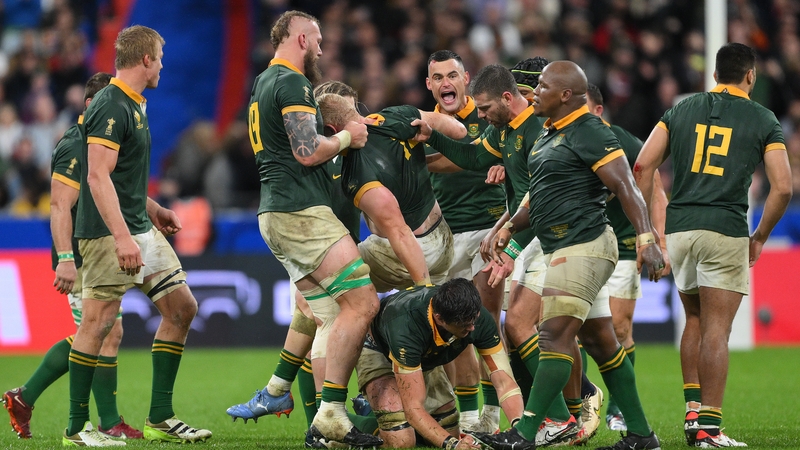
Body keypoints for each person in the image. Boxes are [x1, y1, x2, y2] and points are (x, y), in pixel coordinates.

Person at [469, 60, 664, 450]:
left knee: (553, 336)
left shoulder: (591, 130)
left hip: (584, 244)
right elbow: (537, 200)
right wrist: (508, 227)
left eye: (541, 87)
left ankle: (527, 433)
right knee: (601, 342)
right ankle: (642, 435)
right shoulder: (546, 136)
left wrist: (647, 238)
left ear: (565, 95)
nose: (533, 92)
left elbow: (627, 186)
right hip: (563, 245)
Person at [635, 42, 792, 448]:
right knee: (718, 331)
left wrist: (647, 231)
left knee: (696, 322)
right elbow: (783, 187)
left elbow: (643, 165)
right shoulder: (763, 118)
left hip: (681, 232)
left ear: (714, 74)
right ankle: (708, 426)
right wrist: (759, 235)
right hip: (724, 229)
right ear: (751, 77)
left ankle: (692, 412)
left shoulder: (680, 110)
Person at [69, 25, 211, 446]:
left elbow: (122, 178)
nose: (163, 65)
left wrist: (153, 209)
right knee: (97, 324)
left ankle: (161, 418)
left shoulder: (134, 105)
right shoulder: (111, 104)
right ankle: (76, 428)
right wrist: (122, 237)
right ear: (146, 59)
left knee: (182, 308)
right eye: (161, 58)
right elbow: (96, 177)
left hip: (140, 226)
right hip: (108, 235)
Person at [248, 11, 381, 448]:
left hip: (274, 212)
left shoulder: (262, 83)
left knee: (326, 314)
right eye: (319, 40)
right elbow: (307, 151)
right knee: (362, 303)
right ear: (301, 39)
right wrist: (349, 139)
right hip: (301, 211)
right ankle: (332, 412)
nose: (322, 48)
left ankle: (324, 419)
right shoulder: (291, 82)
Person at [2, 73, 142, 442]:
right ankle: (29, 398)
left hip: (98, 249)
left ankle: (106, 421)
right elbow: (60, 206)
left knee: (108, 330)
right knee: (95, 331)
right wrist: (66, 257)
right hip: (80, 254)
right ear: (90, 105)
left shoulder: (99, 142)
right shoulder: (74, 144)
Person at [225, 81, 363, 431]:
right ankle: (319, 417)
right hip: (315, 250)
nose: (346, 120)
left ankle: (286, 394)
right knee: (319, 316)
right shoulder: (310, 162)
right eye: (337, 114)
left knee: (319, 317)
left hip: (344, 251)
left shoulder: (357, 156)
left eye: (351, 111)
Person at [424, 49, 506, 433]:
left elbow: (470, 156)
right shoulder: (426, 123)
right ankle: (470, 416)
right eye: (437, 77)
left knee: (486, 320)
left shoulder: (487, 114)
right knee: (454, 326)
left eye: (451, 75)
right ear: (430, 85)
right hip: (446, 235)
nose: (445, 83)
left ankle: (491, 414)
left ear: (465, 78)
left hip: (489, 230)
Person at [584, 83, 670, 432]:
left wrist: (658, 243)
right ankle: (580, 405)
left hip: (621, 248)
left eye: (582, 107)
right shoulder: (562, 141)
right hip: (579, 248)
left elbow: (658, 195)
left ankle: (618, 409)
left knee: (619, 330)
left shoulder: (628, 143)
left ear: (599, 111)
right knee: (570, 333)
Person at [317, 92, 464, 292]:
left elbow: (400, 232)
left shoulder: (355, 174)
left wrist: (423, 288)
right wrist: (422, 157)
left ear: (330, 130)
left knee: (323, 279)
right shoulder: (399, 114)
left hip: (411, 254)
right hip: (444, 241)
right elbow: (459, 131)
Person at [356, 278, 523, 449]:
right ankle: (360, 417)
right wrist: (453, 445)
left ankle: (383, 411)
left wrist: (520, 431)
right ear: (439, 319)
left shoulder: (476, 317)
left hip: (423, 355)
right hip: (378, 346)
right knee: (401, 441)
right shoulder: (407, 328)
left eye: (474, 320)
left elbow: (505, 382)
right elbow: (414, 408)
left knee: (445, 428)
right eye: (465, 325)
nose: (472, 328)